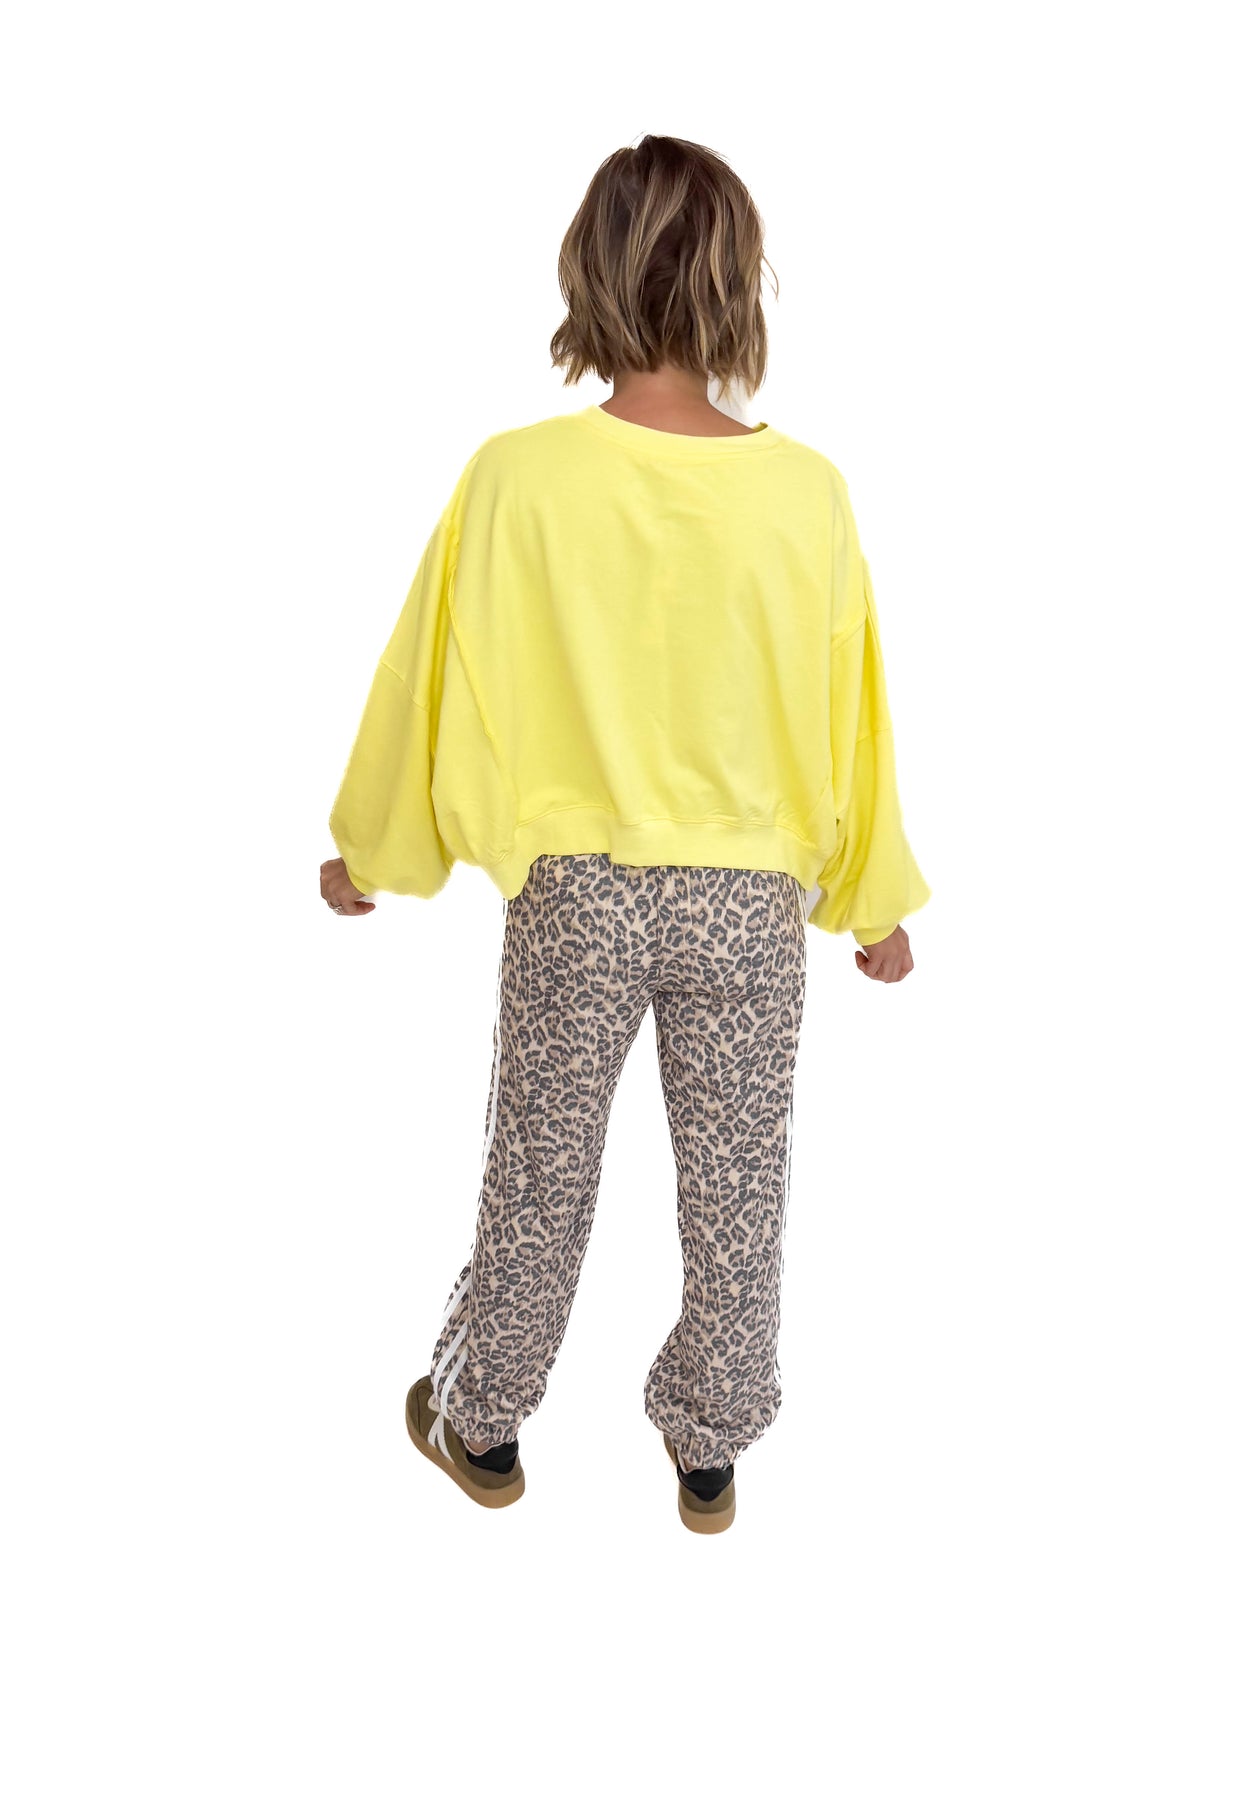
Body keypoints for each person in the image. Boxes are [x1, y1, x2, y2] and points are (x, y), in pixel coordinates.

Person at [320, 133, 930, 1533]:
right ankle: (710, 1450)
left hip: (576, 894)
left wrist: (374, 851)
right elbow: (851, 711)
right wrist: (873, 899)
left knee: (539, 1173)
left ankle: (482, 1421)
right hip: (748, 904)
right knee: (739, 1188)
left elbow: (431, 682)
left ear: (586, 274)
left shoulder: (515, 478)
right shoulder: (808, 492)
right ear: (739, 286)